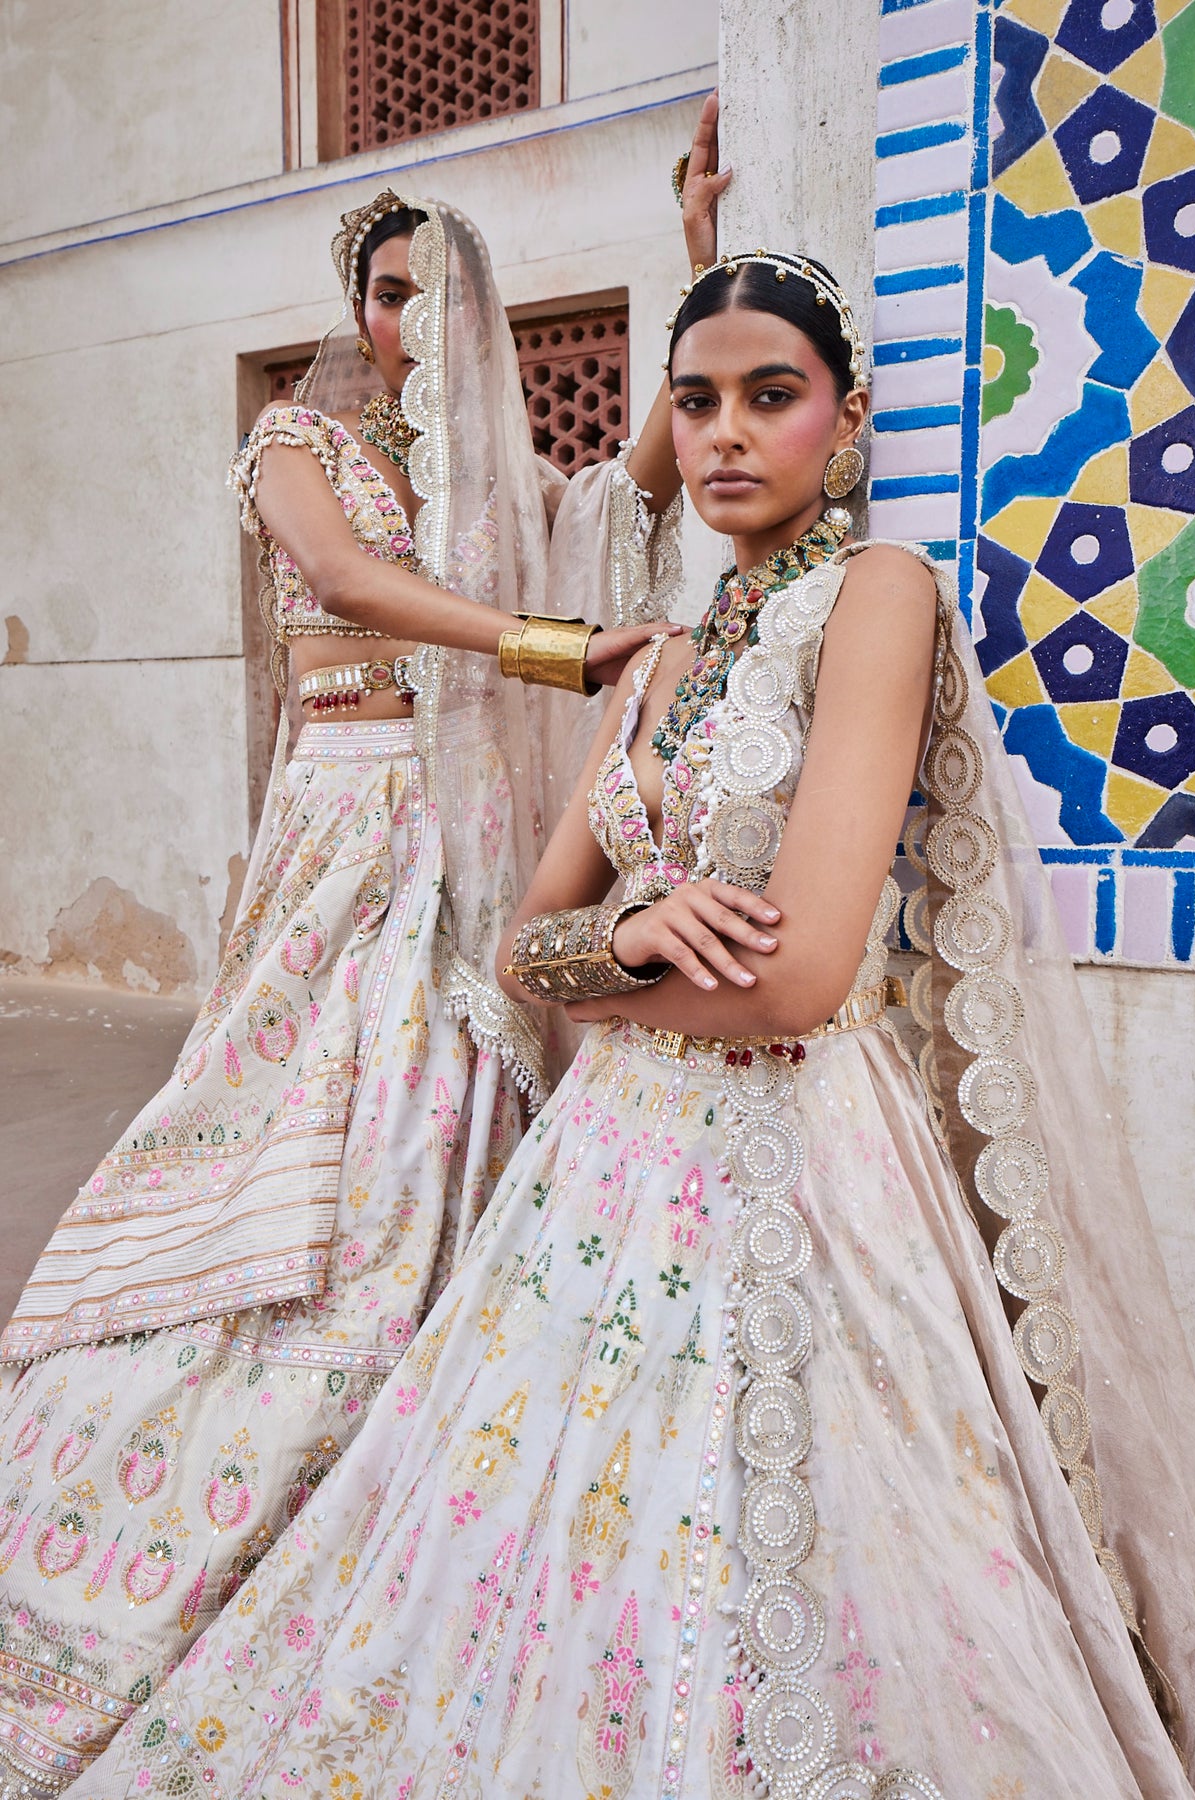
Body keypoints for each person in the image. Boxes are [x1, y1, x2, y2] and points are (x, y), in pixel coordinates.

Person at [65, 222, 1195, 1798]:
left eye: (771, 395)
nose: (725, 432)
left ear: (845, 423)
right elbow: (526, 952)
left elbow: (802, 979)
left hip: (803, 1165)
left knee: (816, 1569)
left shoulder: (878, 600)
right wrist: (639, 933)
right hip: (605, 1176)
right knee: (555, 1567)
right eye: (697, 400)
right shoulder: (668, 660)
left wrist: (610, 963)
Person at [0, 186, 684, 1797]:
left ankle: (437, 1395)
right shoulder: (301, 449)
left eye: (434, 294)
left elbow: (619, 496)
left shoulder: (490, 481)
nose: (406, 320)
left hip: (468, 822)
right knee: (305, 1104)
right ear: (355, 307)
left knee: (448, 1109)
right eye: (384, 291)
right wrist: (551, 647)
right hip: (348, 815)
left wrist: (695, 238)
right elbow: (353, 588)